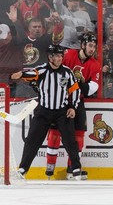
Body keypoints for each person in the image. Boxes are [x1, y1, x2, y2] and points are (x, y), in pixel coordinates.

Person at [11, 44, 83, 180]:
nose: (60, 58)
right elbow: (32, 73)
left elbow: (75, 90)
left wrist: (72, 107)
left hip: (62, 112)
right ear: (50, 57)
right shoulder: (43, 70)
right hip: (43, 111)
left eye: (61, 56)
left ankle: (76, 168)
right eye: (57, 56)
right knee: (32, 140)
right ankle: (23, 168)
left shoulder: (67, 72)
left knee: (70, 140)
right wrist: (21, 74)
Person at [45, 32, 101, 180]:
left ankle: (72, 168)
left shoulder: (95, 64)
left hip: (78, 102)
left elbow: (92, 88)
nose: (92, 49)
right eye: (89, 45)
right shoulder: (68, 55)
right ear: (82, 45)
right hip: (59, 100)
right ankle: (50, 166)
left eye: (94, 46)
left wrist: (73, 86)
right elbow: (56, 72)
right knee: (55, 133)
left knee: (79, 135)